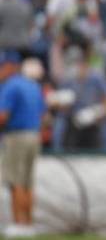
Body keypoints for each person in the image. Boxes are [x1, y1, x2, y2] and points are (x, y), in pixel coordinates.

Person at [0, 51, 46, 238]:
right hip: (34, 135)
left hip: (16, 136)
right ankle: (28, 224)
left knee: (15, 182)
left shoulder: (10, 85)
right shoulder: (32, 85)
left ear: (10, 66)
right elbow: (43, 115)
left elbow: (3, 116)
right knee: (28, 183)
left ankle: (18, 224)